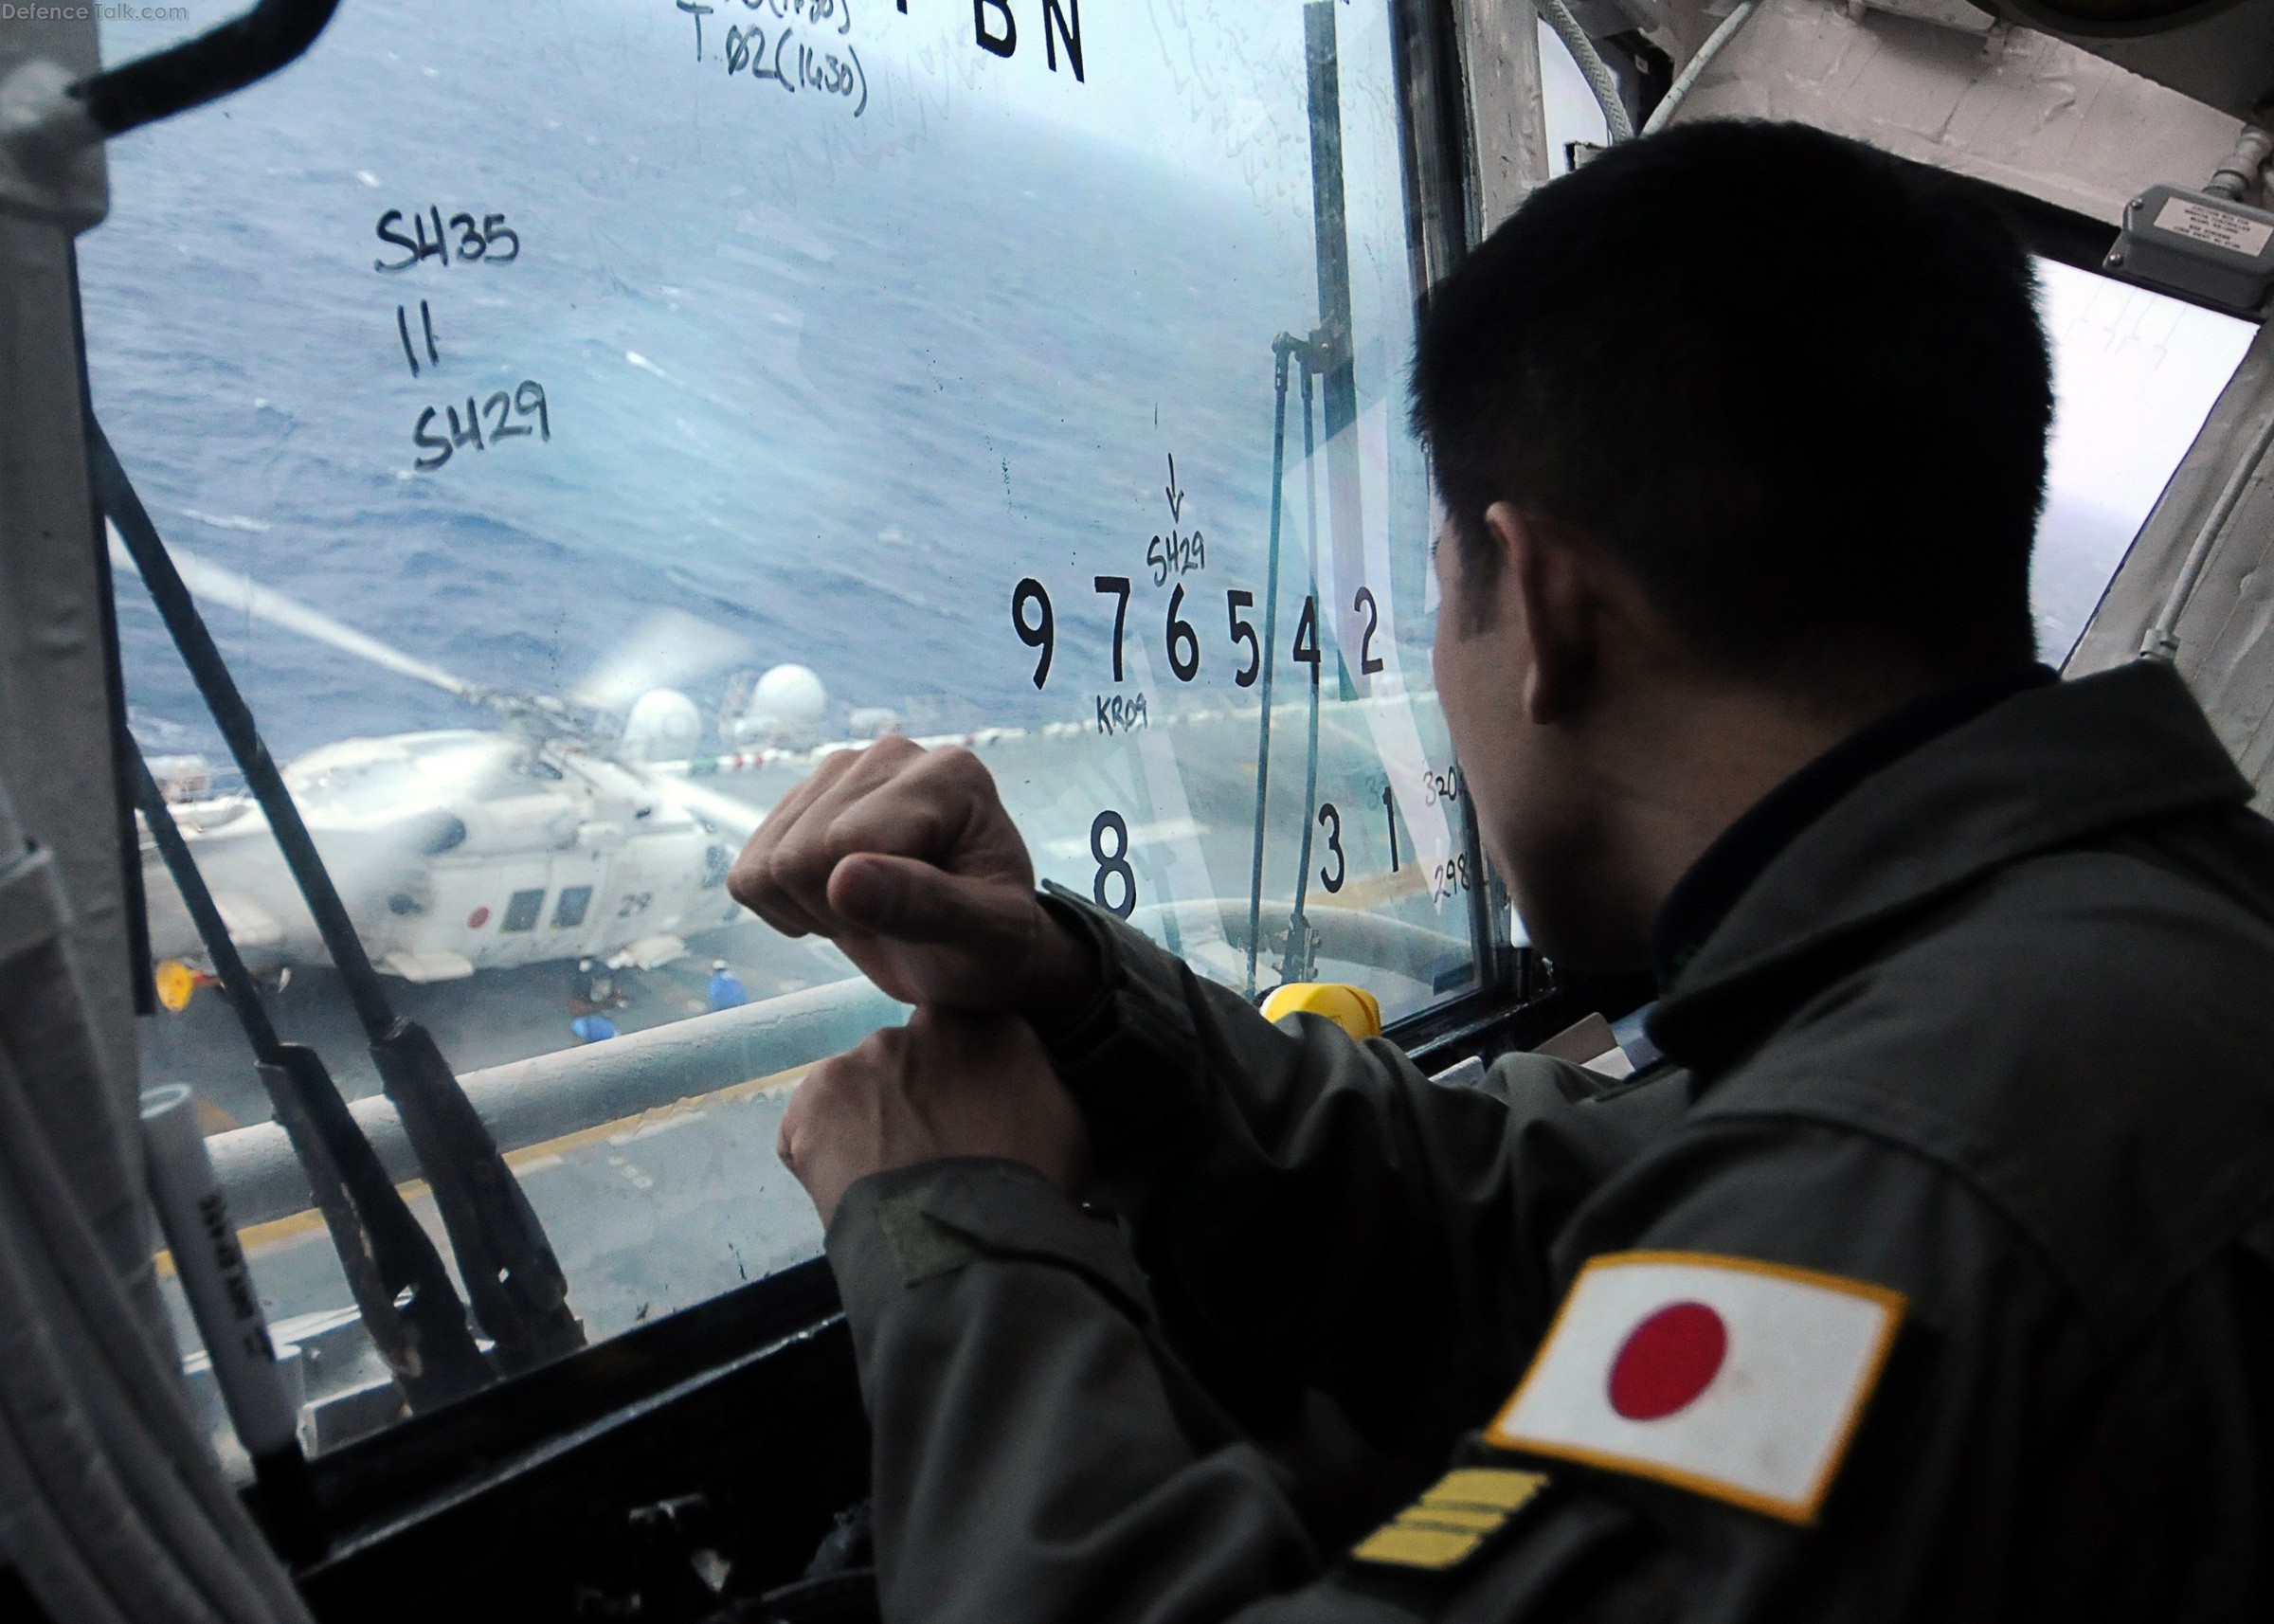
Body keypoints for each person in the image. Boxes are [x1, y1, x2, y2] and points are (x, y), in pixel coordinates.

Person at [728, 121, 2274, 1622]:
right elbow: (1554, 1217)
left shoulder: (1917, 1173)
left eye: (1439, 588)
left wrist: (947, 1232)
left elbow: (1812, 1217)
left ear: (1542, 601)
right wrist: (1080, 1002)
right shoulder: (2105, 949)